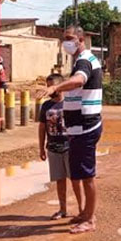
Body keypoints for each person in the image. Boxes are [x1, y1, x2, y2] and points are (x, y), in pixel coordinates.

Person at [42, 25, 103, 234]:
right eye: (64, 38)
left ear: (81, 39)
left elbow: (79, 80)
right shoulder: (80, 60)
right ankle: (85, 213)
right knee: (81, 173)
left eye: (69, 38)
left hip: (86, 126)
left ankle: (90, 219)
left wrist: (56, 87)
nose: (66, 42)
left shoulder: (85, 60)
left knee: (87, 175)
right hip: (78, 127)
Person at [38, 73, 84, 220]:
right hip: (53, 148)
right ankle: (62, 209)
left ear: (60, 86)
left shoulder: (71, 103)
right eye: (47, 86)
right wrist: (41, 148)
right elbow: (42, 128)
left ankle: (82, 210)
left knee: (75, 180)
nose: (48, 90)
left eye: (51, 87)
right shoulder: (46, 106)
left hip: (70, 148)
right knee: (60, 180)